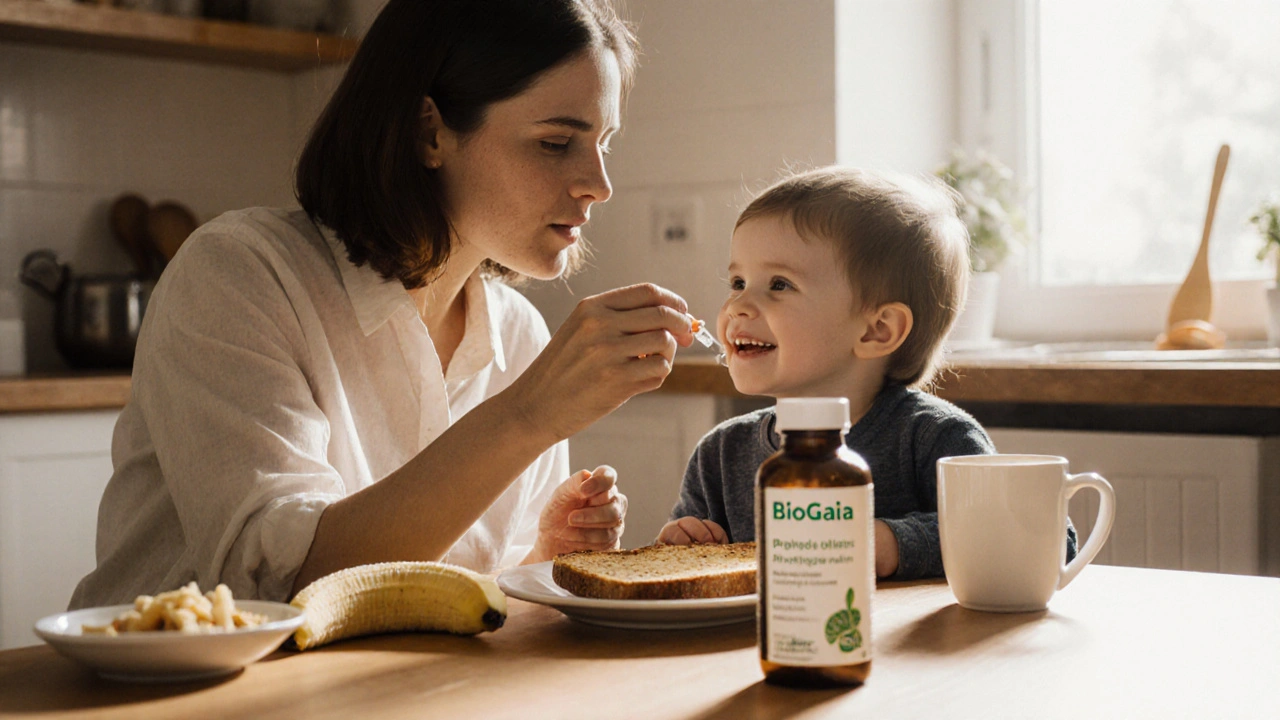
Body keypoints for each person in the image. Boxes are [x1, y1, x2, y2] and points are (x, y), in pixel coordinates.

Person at [70, 0, 698, 609]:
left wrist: (541, 555)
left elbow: (459, 606)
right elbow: (281, 593)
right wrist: (527, 415)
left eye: (604, 143)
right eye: (556, 143)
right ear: (430, 132)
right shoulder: (239, 274)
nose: (600, 184)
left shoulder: (521, 335)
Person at [656, 166, 1077, 580]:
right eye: (737, 282)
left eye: (780, 284)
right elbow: (687, 568)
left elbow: (1055, 539)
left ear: (878, 330)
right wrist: (684, 547)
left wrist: (892, 544)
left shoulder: (933, 438)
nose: (737, 307)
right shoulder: (720, 455)